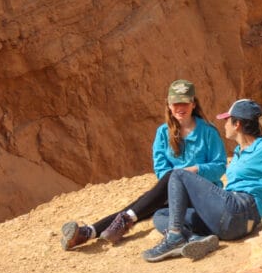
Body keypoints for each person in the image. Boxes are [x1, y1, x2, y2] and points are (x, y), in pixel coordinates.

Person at [143, 98, 262, 262]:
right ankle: (194, 239)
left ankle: (175, 237)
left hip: (239, 210)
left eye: (227, 120)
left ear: (237, 125)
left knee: (178, 174)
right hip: (228, 222)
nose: (224, 124)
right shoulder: (240, 151)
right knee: (161, 215)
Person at [60, 79, 227, 250]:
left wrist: (192, 171)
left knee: (158, 192)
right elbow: (161, 169)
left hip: (202, 194)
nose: (180, 108)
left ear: (193, 103)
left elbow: (220, 166)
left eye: (184, 102)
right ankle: (89, 232)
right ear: (169, 105)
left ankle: (92, 230)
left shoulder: (208, 131)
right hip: (173, 192)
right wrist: (176, 184)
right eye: (175, 103)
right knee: (150, 200)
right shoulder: (163, 133)